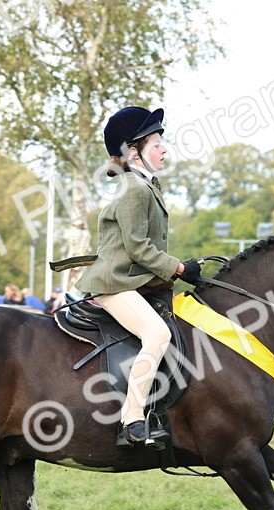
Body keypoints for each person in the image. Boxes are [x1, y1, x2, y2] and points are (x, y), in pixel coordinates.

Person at [75, 105, 201, 449]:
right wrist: (179, 268)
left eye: (161, 143)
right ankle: (131, 419)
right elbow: (138, 248)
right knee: (157, 333)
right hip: (115, 283)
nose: (164, 150)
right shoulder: (134, 188)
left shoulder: (147, 185)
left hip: (133, 281)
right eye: (156, 144)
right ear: (133, 152)